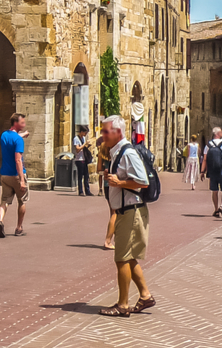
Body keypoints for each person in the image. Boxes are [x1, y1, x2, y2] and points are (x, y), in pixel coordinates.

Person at [99, 114, 156, 317]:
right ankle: (145, 296)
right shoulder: (117, 152)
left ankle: (122, 305)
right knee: (129, 258)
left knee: (122, 259)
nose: (103, 135)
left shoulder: (127, 153)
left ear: (118, 132)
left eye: (106, 131)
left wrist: (119, 183)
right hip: (126, 210)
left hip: (132, 211)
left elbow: (143, 182)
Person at [0, 112, 28, 238]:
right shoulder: (18, 140)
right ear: (16, 123)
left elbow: (12, 138)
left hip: (5, 174)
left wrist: (22, 135)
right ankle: (19, 227)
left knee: (4, 201)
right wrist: (22, 180)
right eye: (22, 123)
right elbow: (18, 160)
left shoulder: (4, 135)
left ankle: (0, 221)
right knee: (22, 201)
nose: (24, 124)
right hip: (16, 175)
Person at [74, 124, 94, 196]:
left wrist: (87, 145)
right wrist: (84, 144)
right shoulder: (76, 139)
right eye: (85, 132)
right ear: (81, 131)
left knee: (86, 175)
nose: (85, 134)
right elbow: (77, 149)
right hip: (79, 159)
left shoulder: (83, 139)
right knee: (80, 176)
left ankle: (87, 191)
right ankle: (80, 191)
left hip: (84, 158)